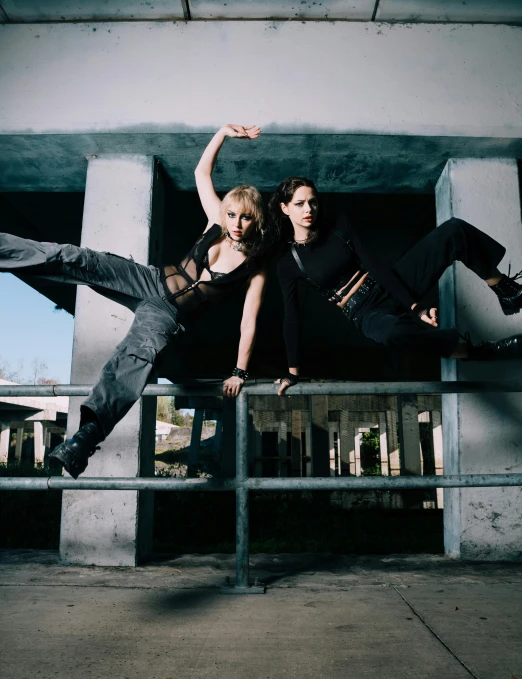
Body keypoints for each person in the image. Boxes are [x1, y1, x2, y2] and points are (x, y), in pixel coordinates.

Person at [0, 124, 267, 476]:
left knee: (136, 356)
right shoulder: (215, 220)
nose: (236, 223)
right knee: (76, 258)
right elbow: (202, 172)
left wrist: (239, 371)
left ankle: (83, 439)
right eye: (232, 215)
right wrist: (222, 132)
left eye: (245, 217)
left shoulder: (254, 267)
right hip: (150, 279)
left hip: (168, 314)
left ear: (255, 220)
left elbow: (249, 322)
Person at [267, 176, 522, 395]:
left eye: (312, 201)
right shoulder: (288, 263)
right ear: (285, 208)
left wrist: (416, 307)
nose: (308, 209)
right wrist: (292, 373)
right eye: (299, 204)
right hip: (365, 313)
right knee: (394, 333)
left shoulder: (337, 225)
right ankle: (474, 353)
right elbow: (292, 318)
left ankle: (505, 290)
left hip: (387, 284)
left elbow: (374, 265)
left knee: (453, 231)